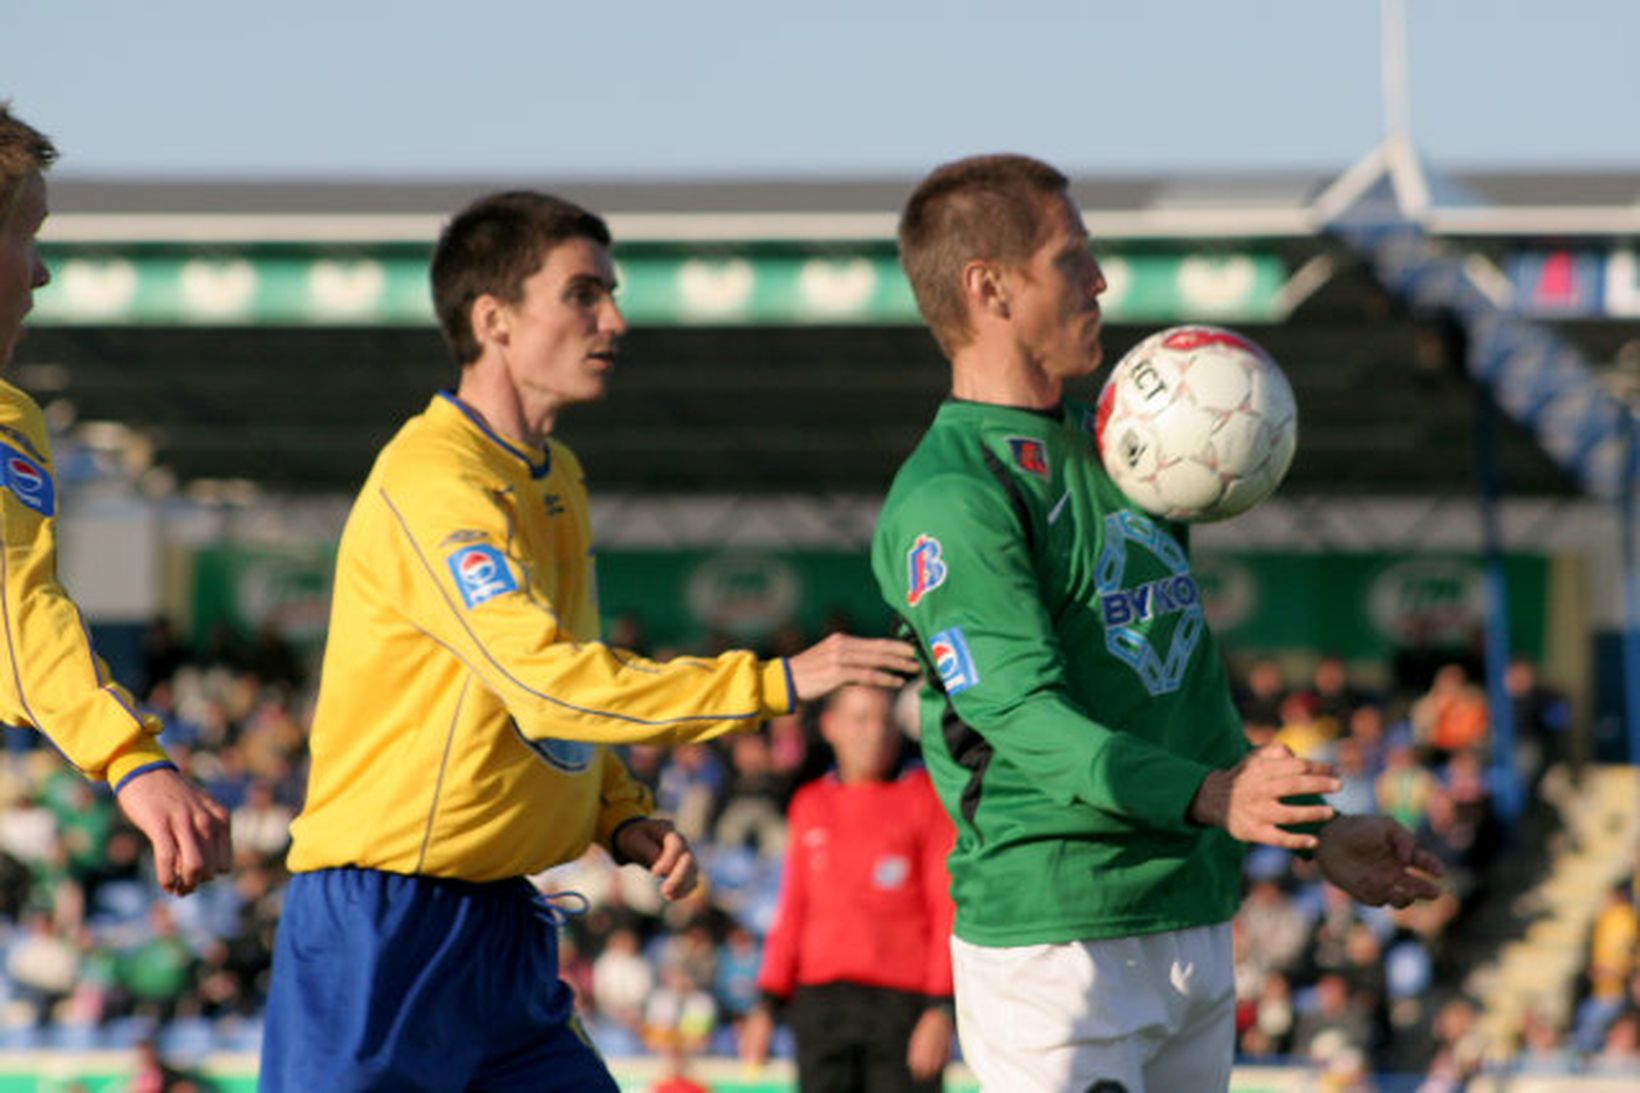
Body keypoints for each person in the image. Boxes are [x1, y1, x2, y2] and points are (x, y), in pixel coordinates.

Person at [259, 189, 919, 1092]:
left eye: (612, 293)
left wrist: (617, 812)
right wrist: (776, 680)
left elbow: (550, 694)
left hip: (501, 927)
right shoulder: (435, 479)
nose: (614, 318)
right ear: (493, 318)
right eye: (584, 293)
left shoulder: (556, 474)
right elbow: (547, 684)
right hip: (384, 922)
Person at [870, 154, 1443, 1093]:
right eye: (1071, 257)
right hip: (1058, 942)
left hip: (1191, 915)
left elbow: (1181, 684)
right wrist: (1217, 797)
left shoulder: (1132, 446)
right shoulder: (953, 496)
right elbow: (1027, 721)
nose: (1098, 279)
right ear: (989, 288)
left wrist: (1309, 829)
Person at [0, 105, 230, 897]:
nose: (41, 272)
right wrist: (132, 757)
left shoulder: (13, 416)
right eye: (27, 236)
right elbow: (15, 614)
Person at [739, 684, 956, 1092]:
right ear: (831, 726)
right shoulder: (810, 803)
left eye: (883, 720)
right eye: (860, 719)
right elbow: (793, 910)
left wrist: (941, 1009)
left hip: (901, 1007)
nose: (874, 732)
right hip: (821, 1006)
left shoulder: (925, 799)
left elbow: (946, 907)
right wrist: (766, 1004)